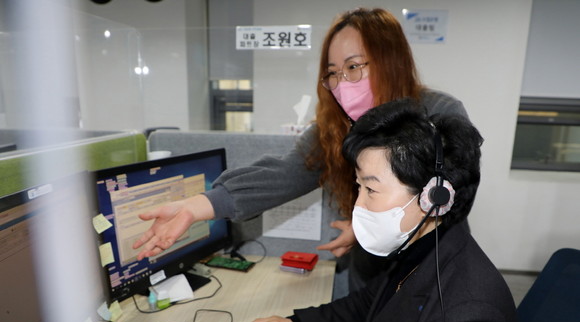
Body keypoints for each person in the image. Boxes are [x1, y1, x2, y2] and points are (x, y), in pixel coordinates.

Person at [132, 7, 469, 291]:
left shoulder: (441, 114)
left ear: (389, 61)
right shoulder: (336, 128)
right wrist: (195, 206)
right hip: (370, 271)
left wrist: (378, 226)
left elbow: (452, 198)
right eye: (333, 73)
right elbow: (282, 174)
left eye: (354, 66)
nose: (341, 83)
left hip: (432, 266)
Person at [240, 99, 522, 322]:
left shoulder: (471, 316)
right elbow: (370, 303)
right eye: (358, 186)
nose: (358, 205)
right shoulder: (422, 245)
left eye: (371, 190)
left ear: (434, 198)